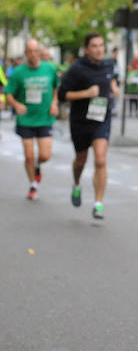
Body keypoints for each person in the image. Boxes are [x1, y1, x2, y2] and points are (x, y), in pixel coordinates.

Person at [58, 33, 119, 220]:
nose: (99, 49)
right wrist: (86, 93)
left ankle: (98, 204)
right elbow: (62, 95)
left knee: (100, 160)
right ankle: (77, 183)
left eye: (101, 45)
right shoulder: (76, 68)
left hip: (101, 120)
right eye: (94, 46)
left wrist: (114, 88)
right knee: (81, 160)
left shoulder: (109, 64)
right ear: (87, 49)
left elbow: (111, 79)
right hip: (80, 121)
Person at [3, 39, 60, 200]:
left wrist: (54, 103)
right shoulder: (19, 72)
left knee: (45, 155)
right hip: (26, 119)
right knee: (28, 155)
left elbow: (56, 88)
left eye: (36, 51)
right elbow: (8, 94)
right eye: (30, 51)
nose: (33, 54)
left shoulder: (49, 69)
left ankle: (37, 166)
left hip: (44, 118)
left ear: (40, 52)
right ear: (26, 53)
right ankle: (33, 184)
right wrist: (16, 104)